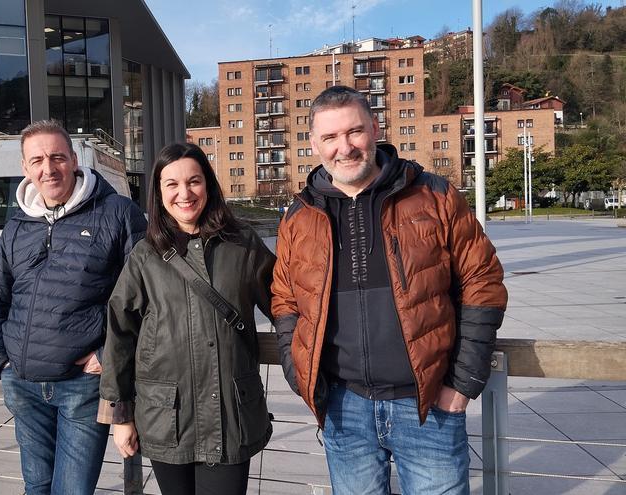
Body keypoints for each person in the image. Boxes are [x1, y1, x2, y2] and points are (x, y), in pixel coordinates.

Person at [271, 86, 508, 495]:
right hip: (344, 409)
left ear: (375, 129)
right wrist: (302, 377)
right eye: (329, 137)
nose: (344, 147)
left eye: (354, 132)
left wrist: (462, 383)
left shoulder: (434, 195)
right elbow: (285, 300)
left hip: (428, 406)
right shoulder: (299, 215)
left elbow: (482, 282)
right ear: (313, 144)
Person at [0, 120, 146, 495]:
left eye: (56, 157)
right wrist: (1, 363)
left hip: (83, 387)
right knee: (36, 487)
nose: (47, 169)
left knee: (72, 491)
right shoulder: (18, 225)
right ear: (24, 167)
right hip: (23, 385)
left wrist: (106, 355)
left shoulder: (117, 214)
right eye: (37, 160)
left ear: (74, 159)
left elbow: (146, 299)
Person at [98, 143, 275, 495]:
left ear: (208, 184)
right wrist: (120, 415)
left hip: (229, 414)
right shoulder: (145, 256)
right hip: (168, 416)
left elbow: (284, 305)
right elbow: (120, 334)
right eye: (172, 184)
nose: (184, 193)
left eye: (193, 181)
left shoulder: (242, 244)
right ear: (158, 192)